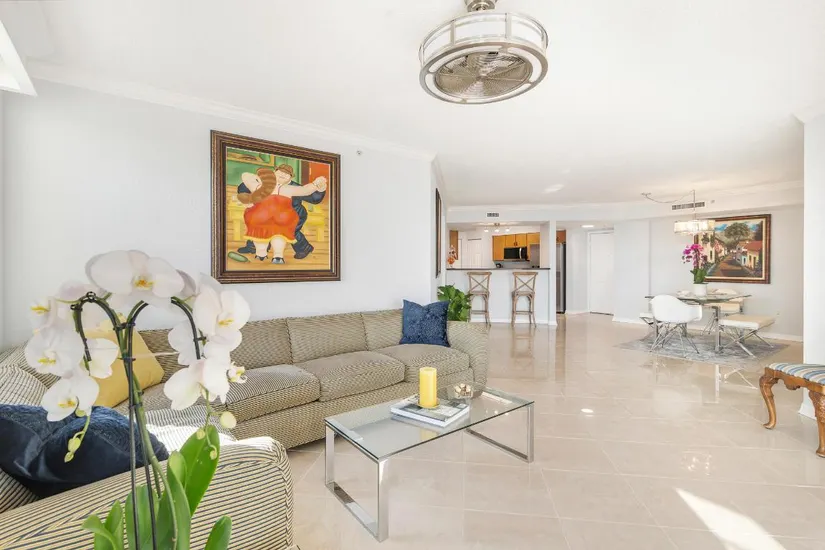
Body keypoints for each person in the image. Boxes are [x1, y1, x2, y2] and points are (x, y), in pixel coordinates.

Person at [237, 164, 327, 259]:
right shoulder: (264, 181)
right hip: (266, 212)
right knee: (259, 227)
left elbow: (314, 198)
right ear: (274, 172)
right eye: (280, 172)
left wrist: (320, 188)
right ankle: (253, 247)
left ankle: (304, 248)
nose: (283, 175)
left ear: (291, 178)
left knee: (290, 231)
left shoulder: (294, 187)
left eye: (287, 174)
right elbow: (244, 186)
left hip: (293, 214)